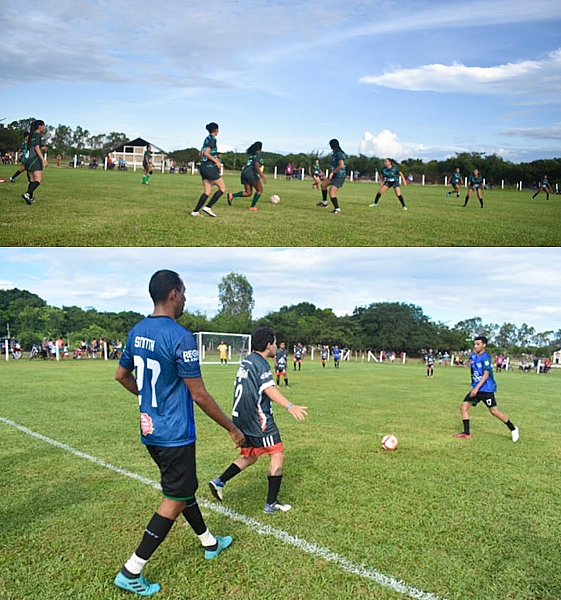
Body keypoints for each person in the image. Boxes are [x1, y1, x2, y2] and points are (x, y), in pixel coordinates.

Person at [114, 269, 245, 596]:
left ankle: (210, 542)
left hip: (151, 431)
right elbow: (199, 394)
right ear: (173, 293)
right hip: (175, 434)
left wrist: (147, 401)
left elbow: (121, 375)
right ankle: (132, 570)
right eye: (183, 292)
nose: (185, 298)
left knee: (183, 488)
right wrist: (232, 428)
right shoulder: (180, 336)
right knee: (174, 497)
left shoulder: (136, 331)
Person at [208, 326, 307, 513]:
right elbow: (269, 389)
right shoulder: (261, 364)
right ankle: (271, 504)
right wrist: (289, 406)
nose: (276, 346)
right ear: (268, 345)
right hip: (257, 418)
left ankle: (219, 481)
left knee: (251, 455)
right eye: (275, 343)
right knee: (277, 453)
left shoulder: (247, 361)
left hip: (240, 417)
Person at [454, 336, 519, 442]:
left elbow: (486, 374)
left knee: (494, 411)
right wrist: (467, 363)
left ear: (484, 345)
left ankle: (513, 428)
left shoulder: (486, 357)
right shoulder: (473, 356)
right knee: (464, 407)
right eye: (475, 344)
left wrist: (476, 389)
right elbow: (470, 364)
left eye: (478, 344)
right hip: (476, 388)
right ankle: (466, 433)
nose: (475, 346)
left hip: (486, 389)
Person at [191, 123, 226, 217]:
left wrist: (214, 158)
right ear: (216, 130)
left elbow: (200, 154)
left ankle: (195, 211)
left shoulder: (206, 139)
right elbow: (206, 153)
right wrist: (216, 161)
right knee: (222, 188)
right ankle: (208, 207)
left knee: (208, 191)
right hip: (210, 167)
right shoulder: (212, 139)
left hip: (203, 167)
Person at [227, 141, 267, 211]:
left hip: (244, 173)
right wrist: (262, 176)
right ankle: (252, 206)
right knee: (259, 190)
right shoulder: (257, 154)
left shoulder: (252, 155)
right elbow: (256, 166)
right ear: (260, 148)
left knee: (248, 192)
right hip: (251, 174)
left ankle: (232, 195)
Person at [22, 120, 48, 205]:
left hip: (28, 160)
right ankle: (27, 194)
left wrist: (41, 148)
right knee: (38, 180)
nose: (44, 128)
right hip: (35, 160)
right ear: (39, 126)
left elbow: (32, 148)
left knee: (32, 180)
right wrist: (43, 159)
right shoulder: (37, 135)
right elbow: (36, 148)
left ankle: (29, 198)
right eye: (43, 126)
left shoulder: (31, 135)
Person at [316, 139, 346, 214]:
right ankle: (324, 203)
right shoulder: (334, 153)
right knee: (323, 185)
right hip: (334, 175)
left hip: (339, 175)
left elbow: (341, 165)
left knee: (331, 192)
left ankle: (337, 209)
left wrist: (333, 172)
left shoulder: (339, 154)